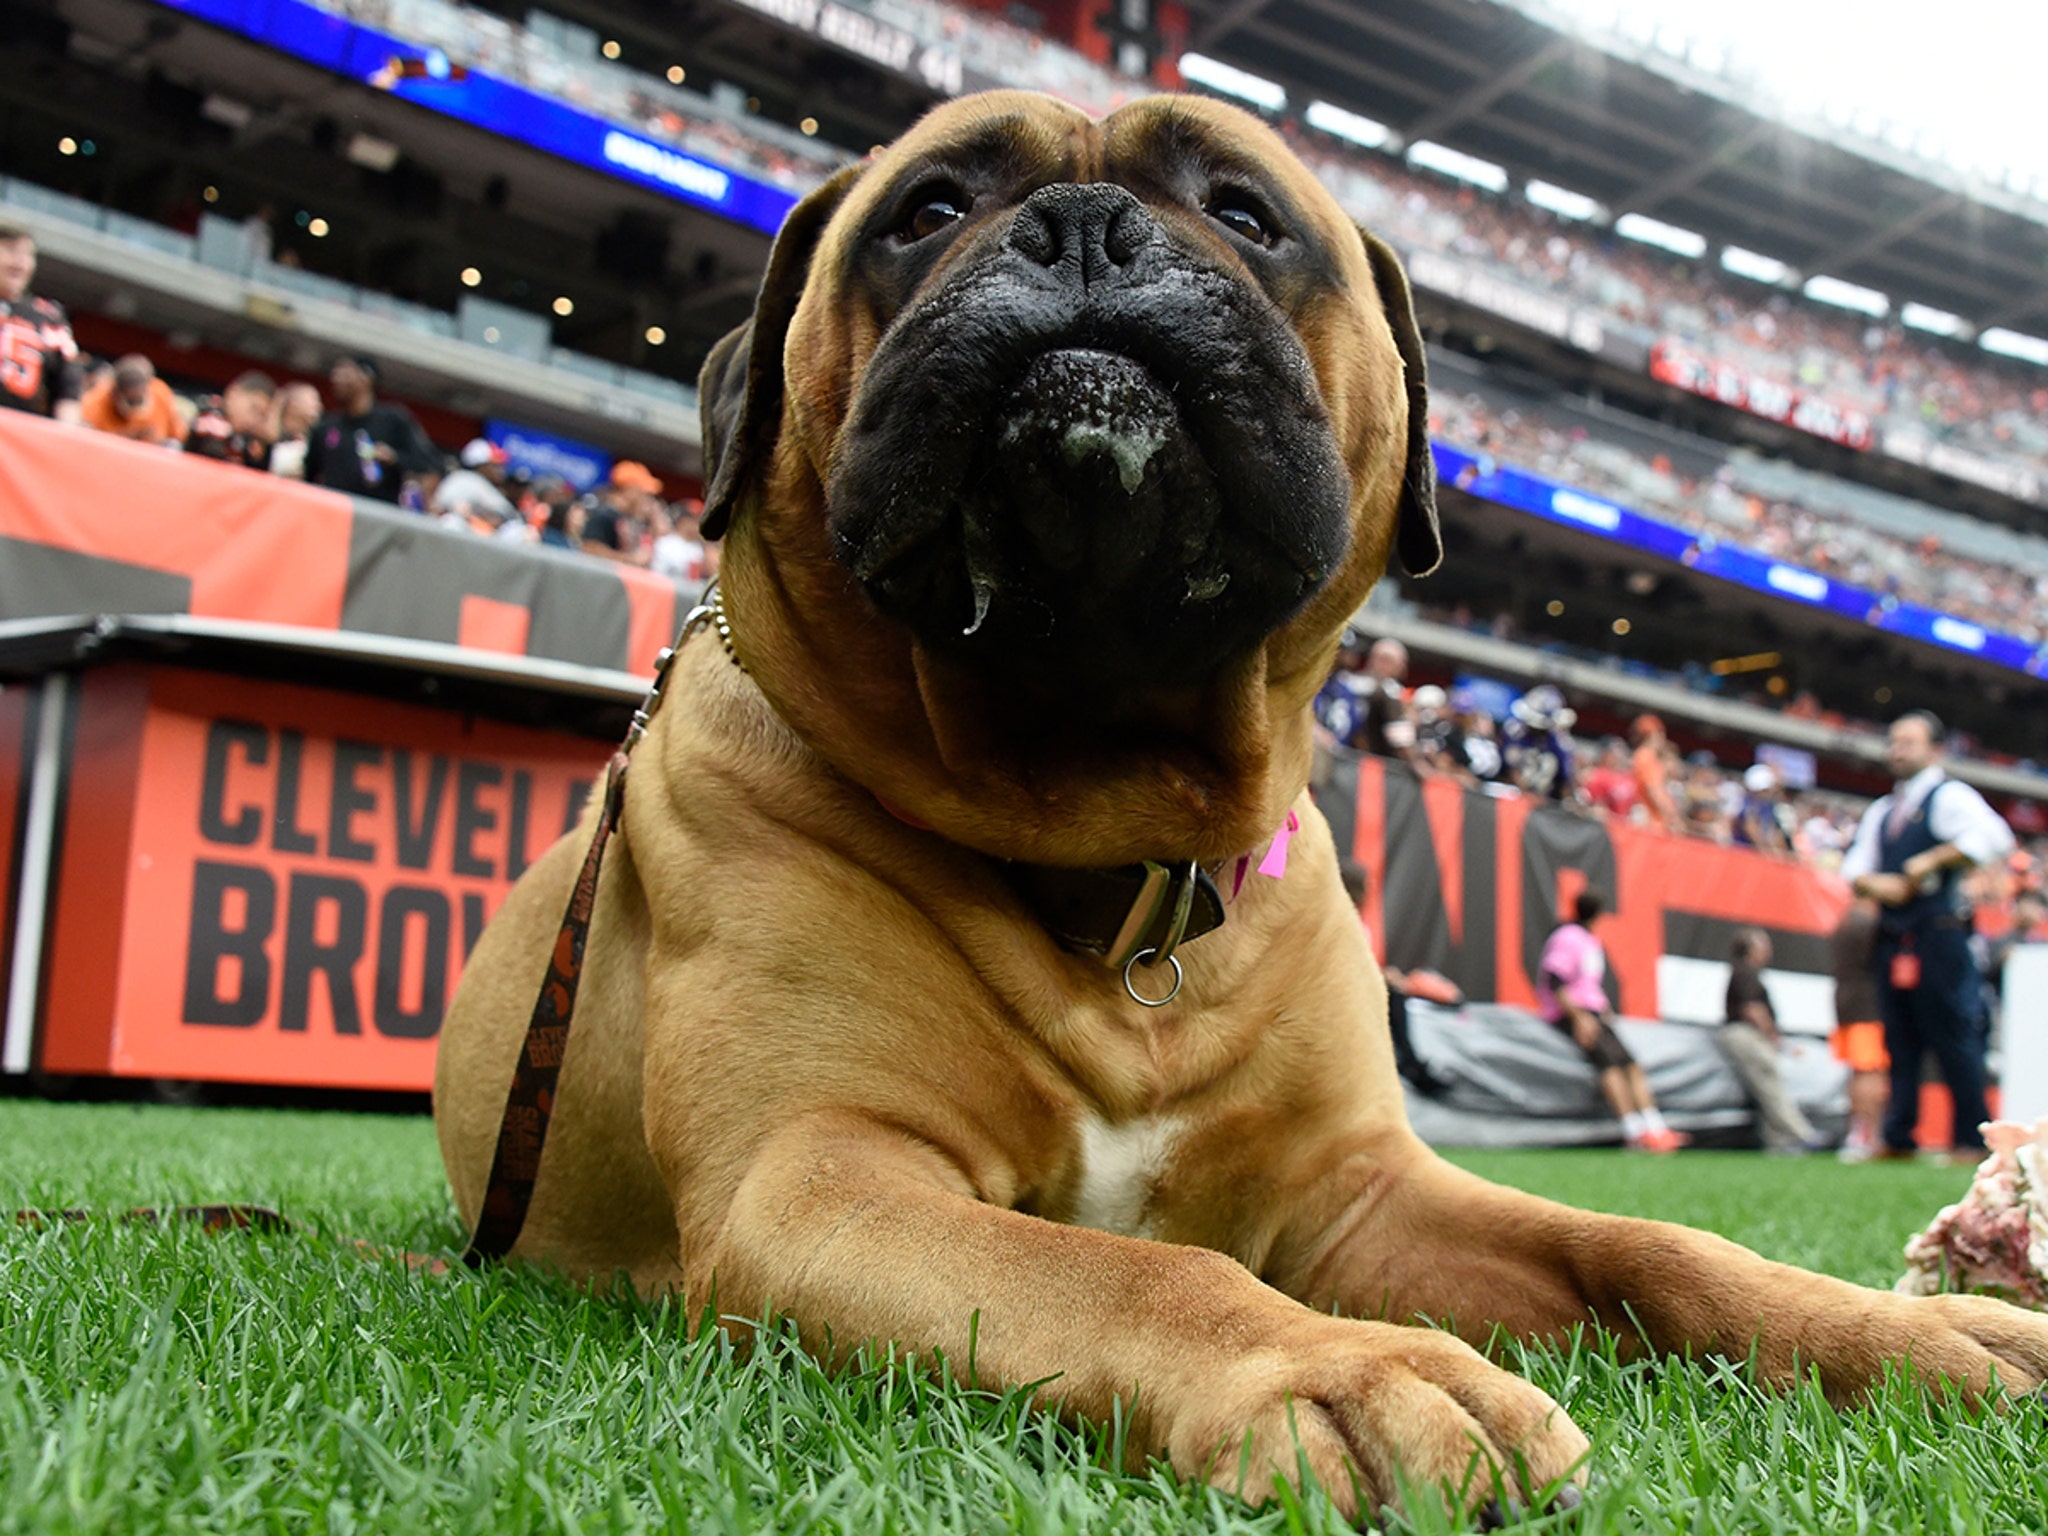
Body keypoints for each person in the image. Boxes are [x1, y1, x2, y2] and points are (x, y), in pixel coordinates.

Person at [1839, 711, 2015, 1162]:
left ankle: (1972, 1138)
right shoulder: (1883, 810)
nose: (1898, 750)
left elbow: (1994, 837)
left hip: (1940, 934)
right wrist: (1883, 885)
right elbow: (1856, 869)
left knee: (1953, 1033)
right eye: (1894, 741)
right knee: (1900, 1037)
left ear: (1934, 749)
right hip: (1895, 934)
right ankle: (1899, 1136)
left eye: (1909, 742)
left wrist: (1934, 860)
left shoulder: (1949, 796)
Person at [1534, 890, 1687, 1151]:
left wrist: (1602, 1012)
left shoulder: (1589, 940)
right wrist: (1580, 1018)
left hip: (1592, 1012)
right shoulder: (1568, 937)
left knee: (1630, 1065)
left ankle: (1655, 1126)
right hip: (1573, 1013)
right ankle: (1634, 1131)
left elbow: (1586, 984)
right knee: (1610, 1066)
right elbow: (1555, 979)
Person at [1718, 931, 1829, 1154]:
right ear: (1751, 948)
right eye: (1764, 946)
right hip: (1745, 1034)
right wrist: (1774, 1037)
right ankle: (1802, 1135)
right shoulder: (1745, 971)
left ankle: (1778, 1143)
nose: (1768, 951)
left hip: (1745, 1033)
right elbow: (1753, 1009)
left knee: (1766, 1087)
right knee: (1769, 1083)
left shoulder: (1745, 972)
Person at [302, 356, 437, 502]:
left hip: (378, 514)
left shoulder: (393, 420)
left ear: (367, 378)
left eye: (346, 374)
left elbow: (426, 463)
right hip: (336, 512)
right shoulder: (326, 428)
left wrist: (394, 458)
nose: (337, 379)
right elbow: (309, 474)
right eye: (335, 374)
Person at [0, 224, 82, 422]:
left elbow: (67, 392)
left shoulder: (49, 318)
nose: (20, 262)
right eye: (11, 250)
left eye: (28, 254)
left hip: (16, 439)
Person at [1830, 899, 1888, 1162]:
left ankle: (1859, 1133)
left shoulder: (1844, 921)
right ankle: (1867, 1136)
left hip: (1849, 1002)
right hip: (1868, 1007)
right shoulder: (1868, 923)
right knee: (1870, 1072)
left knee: (1859, 1072)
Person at [79, 353, 187, 445]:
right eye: (130, 401)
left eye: (139, 400)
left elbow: (178, 438)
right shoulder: (94, 402)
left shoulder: (160, 392)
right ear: (115, 392)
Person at [184, 370, 277, 469]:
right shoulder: (212, 416)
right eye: (253, 408)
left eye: (261, 416)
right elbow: (212, 463)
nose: (253, 420)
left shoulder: (244, 438)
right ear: (233, 393)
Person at [265, 381, 324, 479]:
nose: (319, 406)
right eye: (314, 400)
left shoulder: (314, 441)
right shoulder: (271, 436)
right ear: (294, 403)